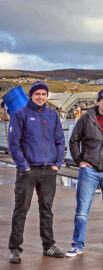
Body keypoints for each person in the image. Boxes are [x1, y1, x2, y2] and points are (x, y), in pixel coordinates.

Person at [8, 81, 65, 264]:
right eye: (37, 94)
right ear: (31, 95)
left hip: (49, 170)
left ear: (46, 96)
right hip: (28, 171)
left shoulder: (52, 115)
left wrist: (57, 164)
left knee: (47, 210)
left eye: (43, 94)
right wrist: (24, 165)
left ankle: (48, 245)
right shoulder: (20, 115)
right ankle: (15, 249)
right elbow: (13, 144)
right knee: (21, 210)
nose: (40, 97)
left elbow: (60, 141)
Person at [66, 88, 103, 257]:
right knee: (82, 210)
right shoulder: (86, 119)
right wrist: (79, 161)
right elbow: (74, 141)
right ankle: (77, 245)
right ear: (99, 101)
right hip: (89, 170)